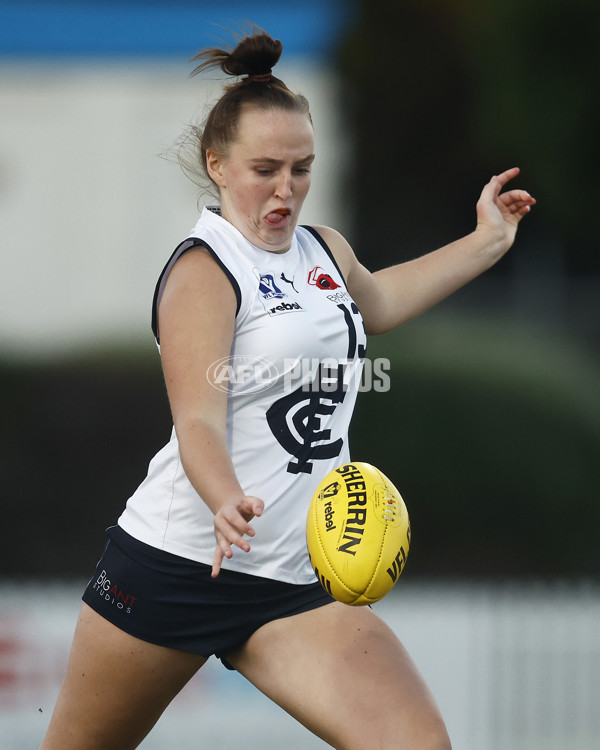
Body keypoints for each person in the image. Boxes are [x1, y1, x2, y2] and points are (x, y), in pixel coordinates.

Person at [40, 27, 535, 750]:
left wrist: (487, 240)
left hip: (294, 581)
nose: (287, 189)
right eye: (265, 168)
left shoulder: (323, 247)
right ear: (217, 165)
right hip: (179, 565)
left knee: (419, 745)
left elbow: (381, 304)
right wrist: (223, 499)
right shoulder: (204, 272)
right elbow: (199, 422)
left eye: (302, 168)